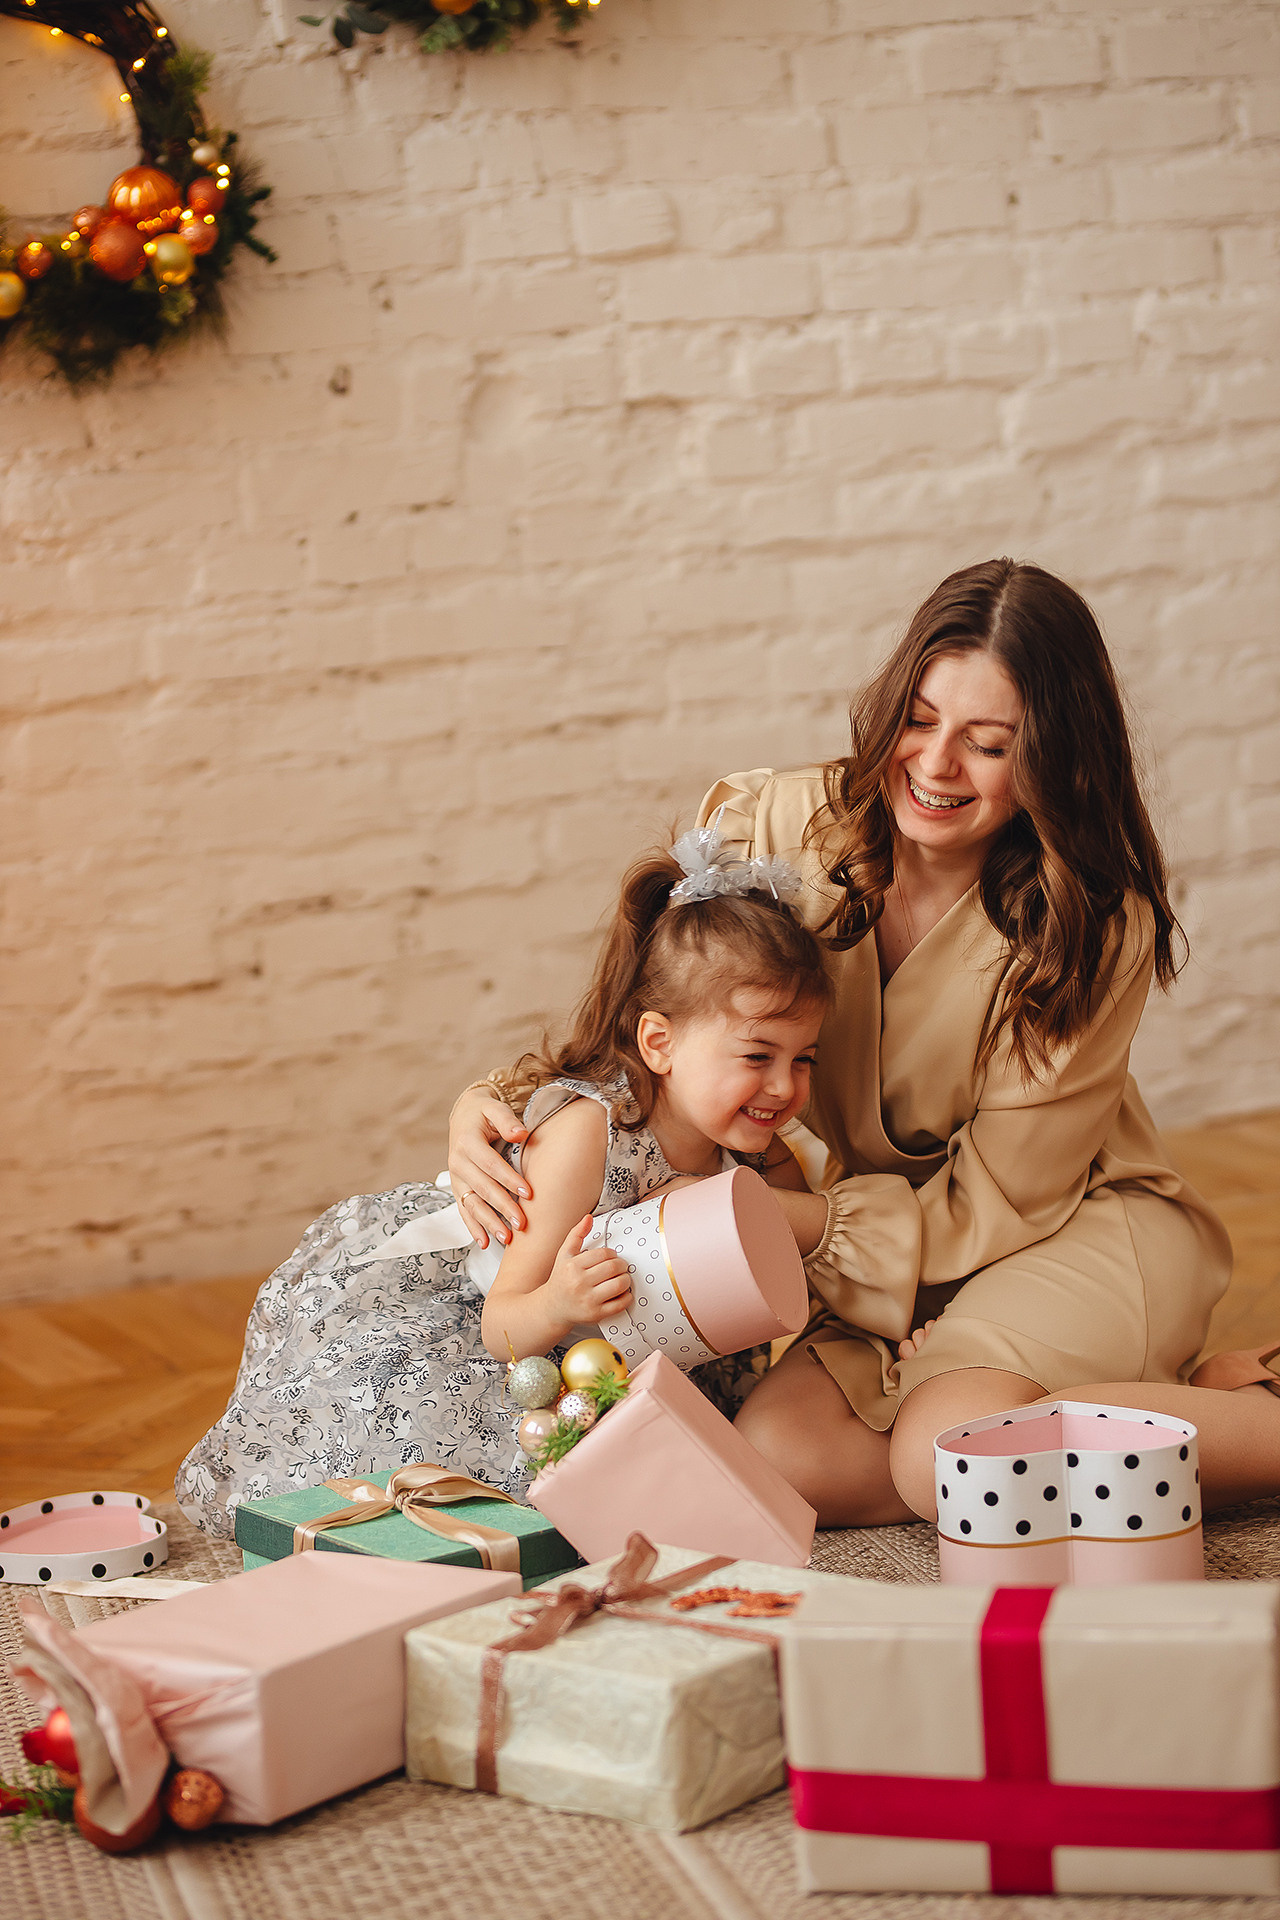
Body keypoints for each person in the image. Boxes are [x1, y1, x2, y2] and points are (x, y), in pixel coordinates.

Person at [451, 558, 1280, 1527]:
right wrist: (498, 1100)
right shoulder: (771, 822)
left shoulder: (1093, 921)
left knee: (948, 1458)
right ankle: (1199, 1401)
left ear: (1052, 760)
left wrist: (794, 1222)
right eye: (919, 721)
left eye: (987, 744)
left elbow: (1007, 1196)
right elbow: (663, 1010)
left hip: (1060, 1223)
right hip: (864, 1244)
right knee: (783, 1458)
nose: (933, 766)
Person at [176, 829, 830, 1539]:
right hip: (516, 1339)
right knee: (505, 1500)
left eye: (804, 1061)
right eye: (758, 1055)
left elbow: (818, 1273)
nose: (782, 1087)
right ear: (658, 1043)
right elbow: (502, 1321)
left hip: (624, 1366)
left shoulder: (761, 1163)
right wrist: (560, 1300)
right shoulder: (590, 1136)